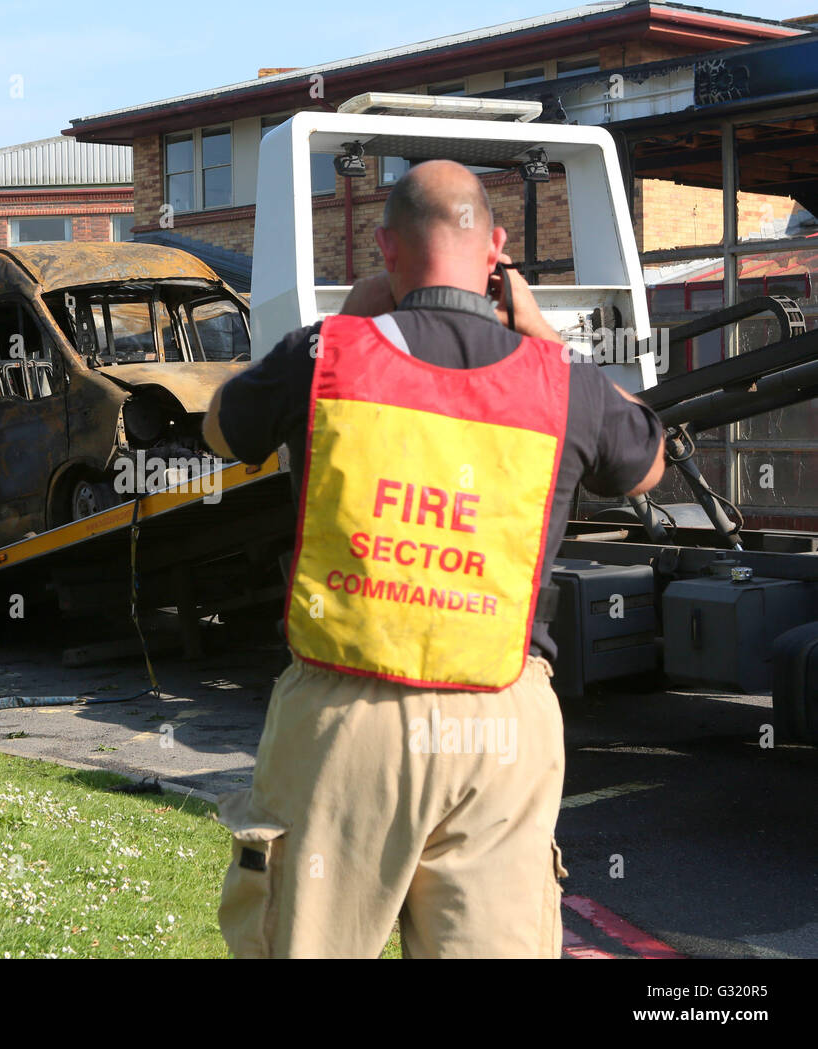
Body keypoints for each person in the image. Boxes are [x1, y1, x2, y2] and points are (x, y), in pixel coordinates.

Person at [202, 159, 665, 959]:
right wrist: (544, 336)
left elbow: (219, 428)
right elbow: (648, 462)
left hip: (347, 715)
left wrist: (342, 325)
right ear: (496, 249)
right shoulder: (560, 382)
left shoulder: (326, 354)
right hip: (503, 719)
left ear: (385, 249)